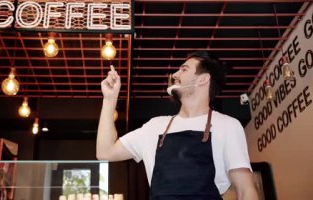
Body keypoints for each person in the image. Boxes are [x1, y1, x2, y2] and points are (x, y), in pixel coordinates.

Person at [97, 51, 258, 200]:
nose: (175, 75)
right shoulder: (154, 126)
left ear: (203, 79)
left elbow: (245, 189)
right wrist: (110, 99)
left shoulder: (227, 125)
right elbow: (105, 152)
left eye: (184, 70)